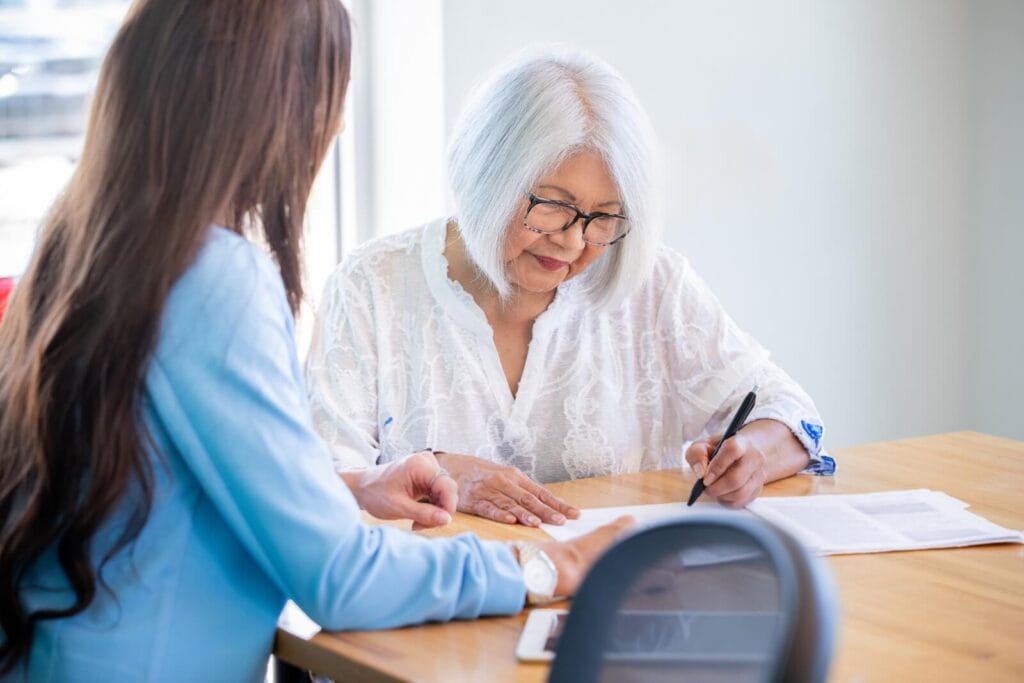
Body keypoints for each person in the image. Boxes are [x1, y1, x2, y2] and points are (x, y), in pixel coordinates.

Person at [0, 4, 630, 680]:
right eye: (332, 95)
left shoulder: (81, 241)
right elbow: (340, 578)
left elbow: (159, 482)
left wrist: (347, 487)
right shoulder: (215, 277)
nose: (334, 126)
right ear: (281, 105)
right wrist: (547, 563)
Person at [305, 47, 830, 528]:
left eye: (603, 217)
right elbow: (316, 482)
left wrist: (753, 454)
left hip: (619, 594)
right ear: (486, 177)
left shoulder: (653, 287)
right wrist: (438, 471)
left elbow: (790, 410)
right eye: (553, 205)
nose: (574, 241)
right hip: (434, 601)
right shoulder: (373, 287)